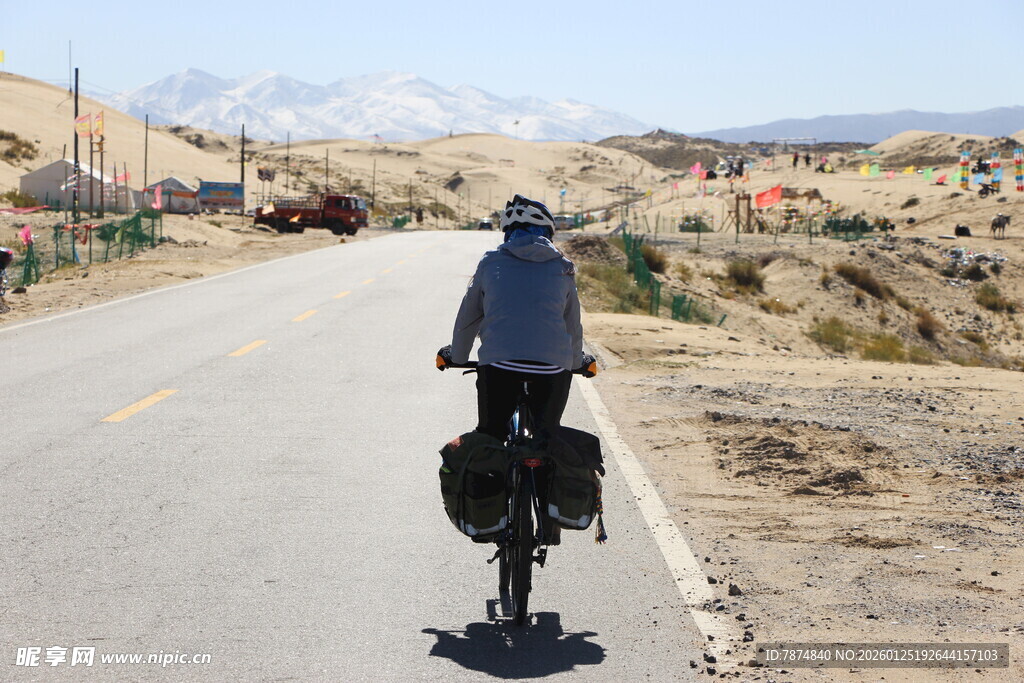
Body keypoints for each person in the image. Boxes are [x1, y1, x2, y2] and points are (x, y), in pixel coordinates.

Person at [437, 194, 594, 443]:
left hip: (499, 366)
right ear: (548, 231)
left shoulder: (490, 263)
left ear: (507, 232)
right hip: (553, 369)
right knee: (548, 439)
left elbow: (468, 318)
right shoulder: (563, 266)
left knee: (490, 439)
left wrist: (457, 356)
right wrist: (576, 362)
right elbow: (572, 325)